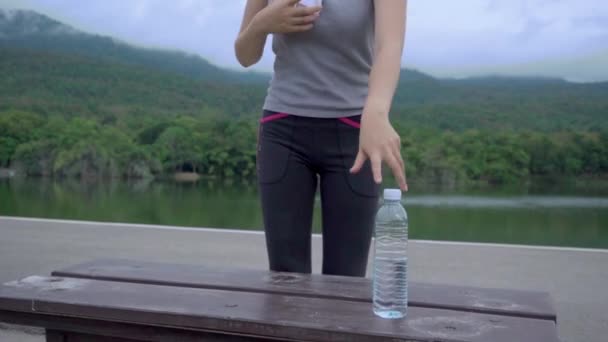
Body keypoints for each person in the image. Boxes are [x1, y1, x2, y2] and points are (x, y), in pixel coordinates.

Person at [235, 0, 408, 277]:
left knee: (346, 281)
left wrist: (376, 110)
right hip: (283, 129)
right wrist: (262, 24)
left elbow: (390, 46)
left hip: (355, 132)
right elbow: (245, 55)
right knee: (286, 281)